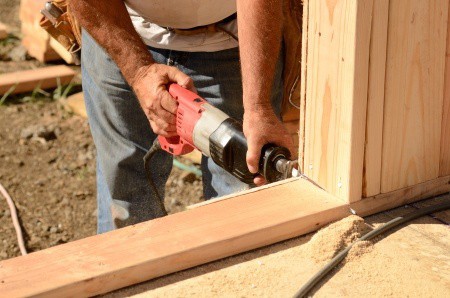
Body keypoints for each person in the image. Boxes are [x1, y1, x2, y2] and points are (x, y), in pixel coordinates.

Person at [69, 0, 295, 233]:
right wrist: (138, 72)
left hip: (234, 41)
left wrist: (257, 108)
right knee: (126, 203)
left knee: (240, 210)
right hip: (119, 28)